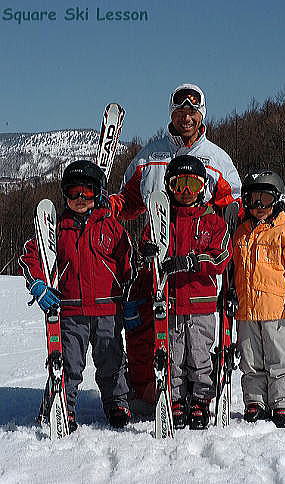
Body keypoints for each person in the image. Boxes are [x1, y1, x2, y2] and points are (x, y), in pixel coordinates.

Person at [19, 160, 136, 432]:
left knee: (111, 361)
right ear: (65, 195)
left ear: (98, 193)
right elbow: (30, 256)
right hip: (70, 310)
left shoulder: (112, 227)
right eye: (73, 193)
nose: (80, 199)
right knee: (68, 363)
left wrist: (128, 299)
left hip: (107, 309)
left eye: (86, 192)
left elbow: (128, 263)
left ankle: (117, 403)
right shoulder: (57, 229)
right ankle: (62, 406)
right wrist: (38, 284)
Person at [139, 155, 232, 429]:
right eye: (180, 184)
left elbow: (221, 257)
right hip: (170, 303)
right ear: (169, 186)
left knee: (200, 355)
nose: (186, 191)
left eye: (192, 184)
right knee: (174, 355)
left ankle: (202, 399)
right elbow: (147, 248)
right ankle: (177, 398)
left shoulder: (212, 221)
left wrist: (193, 261)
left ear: (202, 186)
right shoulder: (161, 219)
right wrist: (147, 253)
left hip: (201, 305)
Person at [233, 170, 285, 428]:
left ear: (278, 200)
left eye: (265, 199)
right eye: (254, 199)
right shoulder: (241, 233)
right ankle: (255, 401)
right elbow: (233, 268)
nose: (258, 206)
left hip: (276, 309)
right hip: (246, 309)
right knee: (250, 358)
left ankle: (283, 402)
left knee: (277, 359)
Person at [110, 82, 241, 219]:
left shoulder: (217, 159)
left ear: (202, 115)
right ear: (171, 114)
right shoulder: (148, 157)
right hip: (156, 238)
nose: (186, 118)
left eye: (192, 112)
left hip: (201, 237)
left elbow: (234, 207)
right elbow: (127, 201)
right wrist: (106, 204)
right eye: (180, 113)